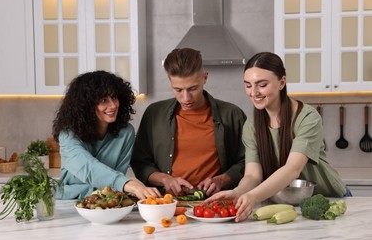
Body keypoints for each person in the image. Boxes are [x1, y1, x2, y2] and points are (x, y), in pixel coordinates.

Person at [206, 52, 349, 222]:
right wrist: (237, 193)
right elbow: (253, 176)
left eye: (262, 85)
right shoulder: (251, 126)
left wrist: (252, 196)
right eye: (248, 85)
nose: (254, 92)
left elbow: (292, 169)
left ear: (282, 82)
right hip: (287, 206)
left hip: (329, 201)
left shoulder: (307, 118)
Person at [130, 48, 247, 197]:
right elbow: (140, 162)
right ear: (170, 81)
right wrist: (165, 179)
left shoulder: (232, 114)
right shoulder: (154, 114)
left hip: (215, 204)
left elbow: (248, 162)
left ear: (205, 78)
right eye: (178, 89)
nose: (186, 98)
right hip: (167, 204)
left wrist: (223, 179)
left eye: (193, 88)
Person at [52, 70, 161, 200]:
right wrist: (129, 184)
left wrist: (121, 186)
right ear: (86, 106)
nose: (113, 105)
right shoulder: (68, 135)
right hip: (69, 203)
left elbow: (113, 185)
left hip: (106, 202)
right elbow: (88, 169)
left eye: (114, 97)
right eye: (104, 100)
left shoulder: (125, 133)